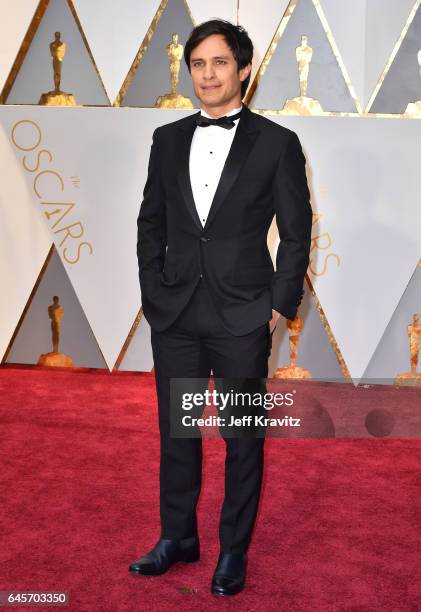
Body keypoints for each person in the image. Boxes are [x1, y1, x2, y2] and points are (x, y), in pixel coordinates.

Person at [129, 19, 312, 597]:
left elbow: (297, 231)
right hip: (176, 314)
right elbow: (150, 223)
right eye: (199, 65)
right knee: (177, 433)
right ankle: (177, 537)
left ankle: (233, 550)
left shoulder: (278, 143)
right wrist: (154, 290)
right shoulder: (166, 139)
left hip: (242, 315)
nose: (208, 75)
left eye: (219, 64)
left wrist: (279, 305)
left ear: (244, 70)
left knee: (241, 438)